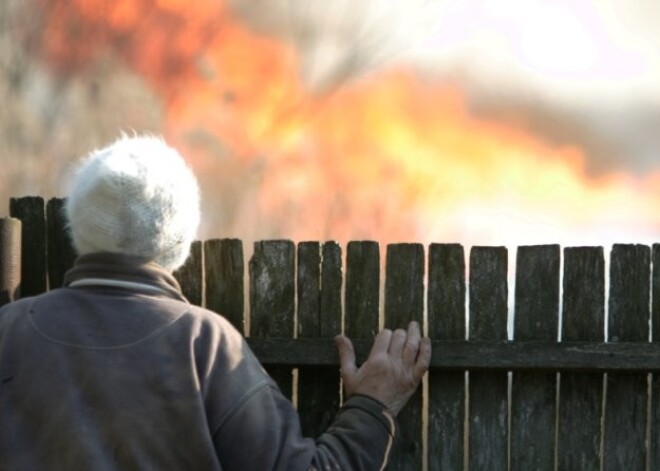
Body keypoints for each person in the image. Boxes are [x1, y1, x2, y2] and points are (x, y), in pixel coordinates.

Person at [0, 134, 431, 470]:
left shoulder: (8, 330)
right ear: (180, 239)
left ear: (77, 224)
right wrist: (374, 406)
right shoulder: (204, 343)